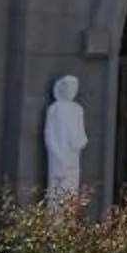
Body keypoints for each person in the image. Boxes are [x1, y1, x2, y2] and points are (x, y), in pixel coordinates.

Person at [43, 74, 88, 208]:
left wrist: (79, 142)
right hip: (59, 155)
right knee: (58, 190)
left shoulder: (78, 109)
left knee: (71, 189)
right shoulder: (54, 109)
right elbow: (49, 134)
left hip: (73, 155)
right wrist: (58, 155)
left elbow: (81, 132)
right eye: (69, 87)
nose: (72, 91)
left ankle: (69, 215)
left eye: (74, 87)